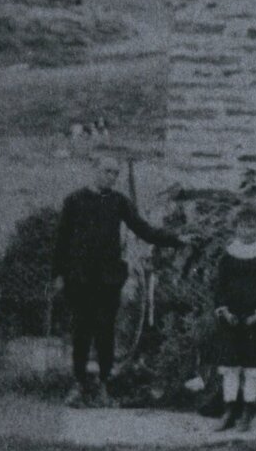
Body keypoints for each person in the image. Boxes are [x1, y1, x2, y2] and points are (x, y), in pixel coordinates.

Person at [51, 153, 183, 407]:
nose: (111, 177)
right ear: (94, 169)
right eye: (106, 171)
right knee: (81, 331)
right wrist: (57, 275)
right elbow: (61, 241)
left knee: (105, 331)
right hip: (79, 278)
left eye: (115, 173)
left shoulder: (118, 201)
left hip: (108, 279)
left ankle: (102, 386)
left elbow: (142, 229)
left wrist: (175, 239)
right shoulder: (74, 201)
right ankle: (78, 385)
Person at [211, 203, 256, 432]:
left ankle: (248, 412)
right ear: (235, 228)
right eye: (242, 226)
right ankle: (229, 410)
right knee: (230, 365)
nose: (246, 231)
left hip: (255, 320)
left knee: (253, 366)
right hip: (231, 318)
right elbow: (219, 285)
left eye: (251, 227)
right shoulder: (228, 255)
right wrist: (224, 310)